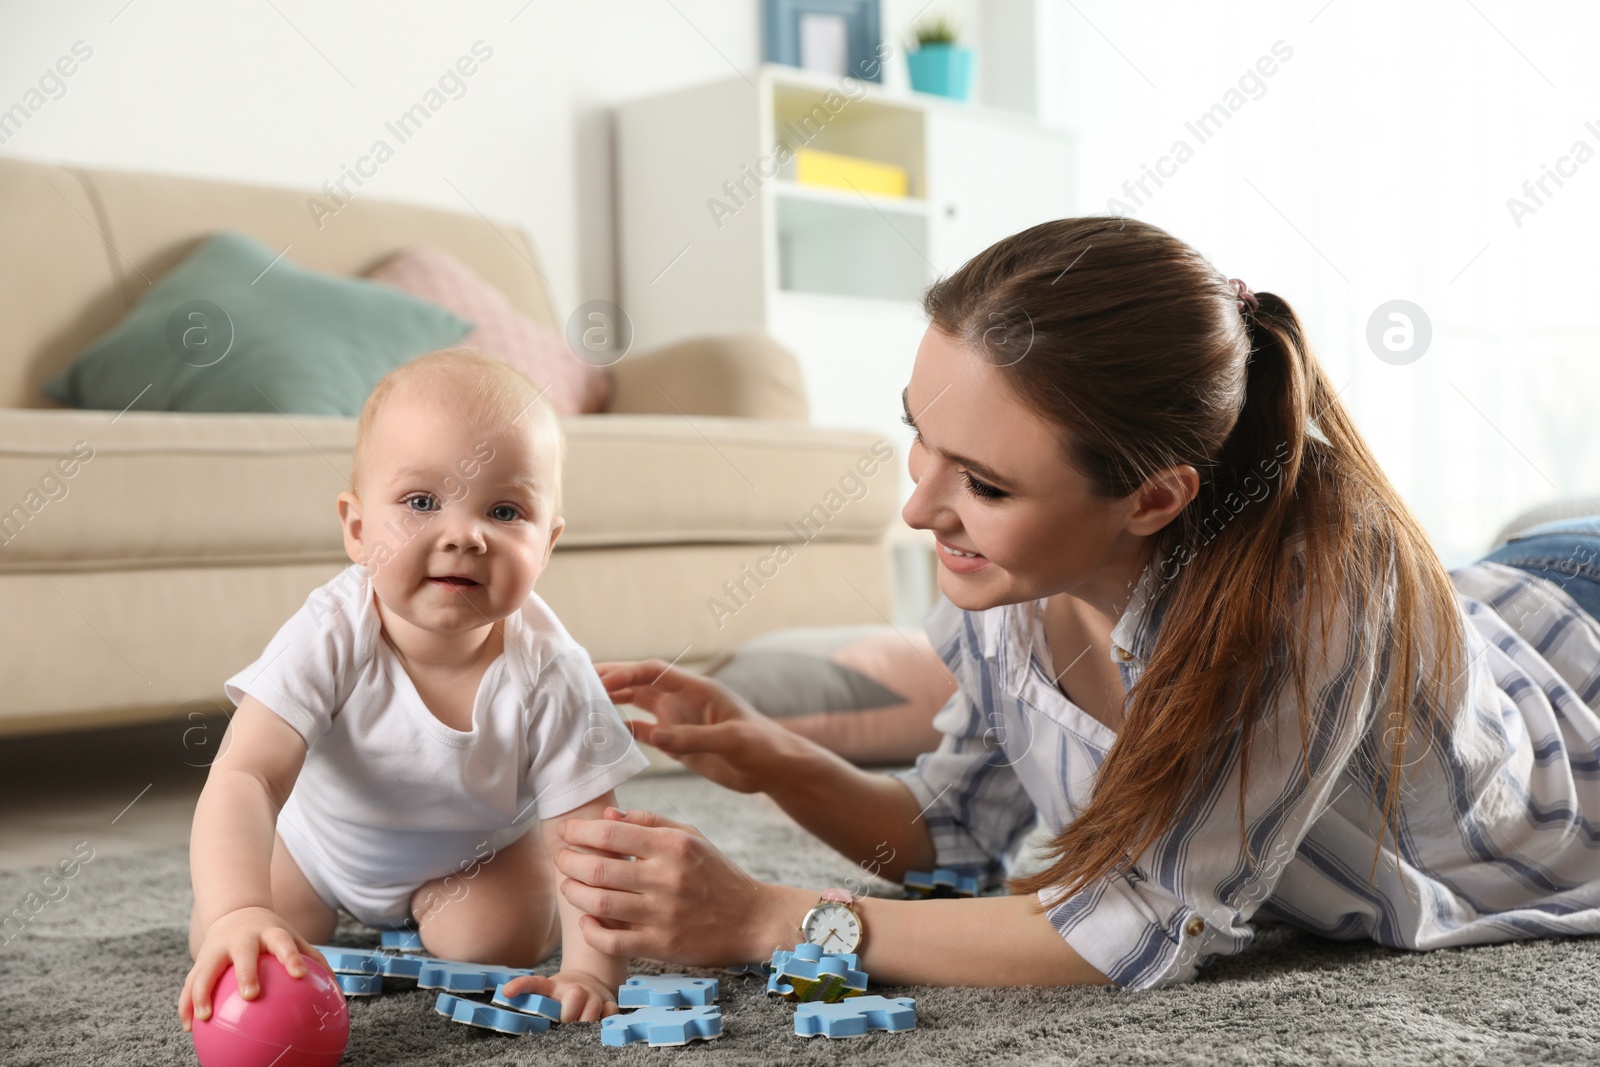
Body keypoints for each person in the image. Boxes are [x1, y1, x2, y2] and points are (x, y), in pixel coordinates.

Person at [549, 217, 1600, 990]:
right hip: (1490, 601)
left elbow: (1129, 933)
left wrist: (766, 917)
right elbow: (953, 837)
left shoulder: (1301, 607)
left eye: (985, 483)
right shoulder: (1002, 582)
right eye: (919, 431)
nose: (918, 506)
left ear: (1152, 498)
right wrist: (772, 755)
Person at [179, 350, 648, 1029]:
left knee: (496, 942)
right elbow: (246, 773)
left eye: (505, 509)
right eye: (422, 501)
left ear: (547, 545)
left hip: (474, 860)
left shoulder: (552, 669)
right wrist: (236, 910)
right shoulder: (330, 631)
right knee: (244, 939)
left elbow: (587, 834)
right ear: (358, 528)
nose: (464, 535)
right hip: (316, 853)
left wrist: (589, 972)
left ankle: (484, 901)